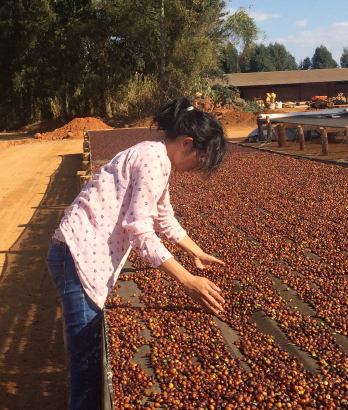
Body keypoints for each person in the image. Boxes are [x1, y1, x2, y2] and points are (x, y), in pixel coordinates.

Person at [47, 97, 228, 410]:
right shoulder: (153, 161)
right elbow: (140, 230)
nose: (198, 167)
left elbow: (163, 216)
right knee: (87, 364)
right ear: (187, 143)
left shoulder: (156, 157)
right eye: (201, 158)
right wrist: (187, 280)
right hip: (76, 256)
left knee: (88, 358)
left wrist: (196, 253)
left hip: (78, 253)